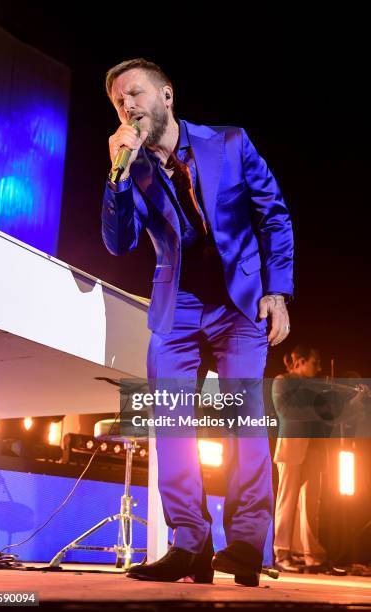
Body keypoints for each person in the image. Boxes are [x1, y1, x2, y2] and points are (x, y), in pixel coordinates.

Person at [101, 58, 294, 586]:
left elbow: (273, 213)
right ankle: (191, 543)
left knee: (243, 418)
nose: (128, 106)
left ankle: (249, 547)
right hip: (178, 304)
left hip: (240, 301)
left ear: (166, 94)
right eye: (119, 102)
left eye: (136, 94)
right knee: (169, 421)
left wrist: (277, 290)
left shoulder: (229, 142)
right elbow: (119, 243)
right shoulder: (133, 165)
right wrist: (117, 175)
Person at [273, 345, 328, 572]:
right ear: (300, 361)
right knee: (287, 501)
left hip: (313, 448)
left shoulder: (314, 387)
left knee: (310, 504)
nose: (318, 368)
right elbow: (287, 411)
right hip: (291, 446)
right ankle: (281, 552)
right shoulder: (282, 381)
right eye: (315, 363)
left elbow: (327, 417)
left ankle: (310, 554)